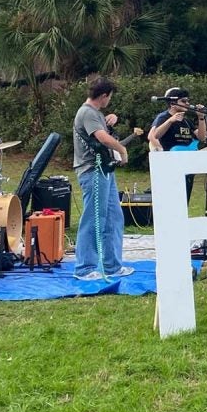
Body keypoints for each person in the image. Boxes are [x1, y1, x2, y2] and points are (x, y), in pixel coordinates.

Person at [73, 78, 132, 280]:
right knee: (94, 219)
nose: (110, 101)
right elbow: (101, 137)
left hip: (105, 170)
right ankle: (84, 268)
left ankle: (112, 266)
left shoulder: (95, 113)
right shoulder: (88, 112)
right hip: (93, 170)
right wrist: (122, 149)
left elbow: (101, 128)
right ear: (104, 95)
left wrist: (110, 119)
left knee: (114, 217)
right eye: (110, 97)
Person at [149, 87, 207, 198]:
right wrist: (170, 121)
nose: (187, 103)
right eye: (183, 101)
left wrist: (201, 118)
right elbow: (156, 135)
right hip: (170, 164)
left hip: (186, 164)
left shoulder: (187, 121)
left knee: (185, 197)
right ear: (172, 103)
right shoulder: (163, 117)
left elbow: (202, 137)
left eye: (188, 101)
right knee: (171, 198)